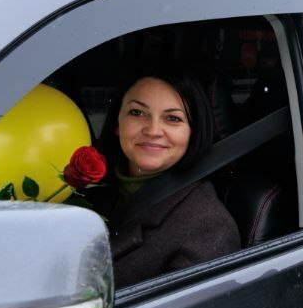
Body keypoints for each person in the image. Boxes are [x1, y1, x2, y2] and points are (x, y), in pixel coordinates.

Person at [99, 71, 239, 288]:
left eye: (173, 118)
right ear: (117, 123)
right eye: (137, 112)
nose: (153, 130)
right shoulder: (92, 188)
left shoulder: (209, 227)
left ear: (192, 132)